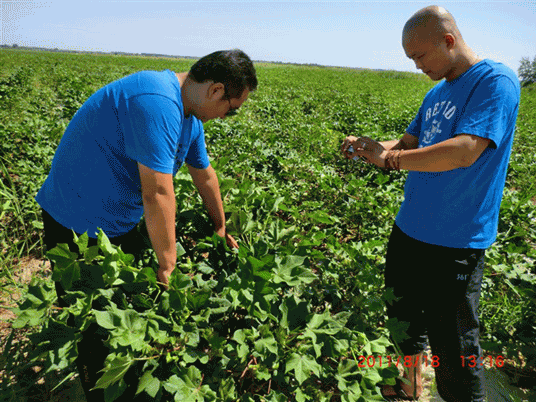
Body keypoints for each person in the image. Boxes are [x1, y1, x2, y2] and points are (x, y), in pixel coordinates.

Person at [36, 49, 257, 401]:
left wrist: (220, 225)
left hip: (118, 220)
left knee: (126, 312)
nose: (226, 116)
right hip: (75, 219)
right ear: (215, 90)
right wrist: (168, 267)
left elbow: (205, 175)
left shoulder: (190, 119)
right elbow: (157, 193)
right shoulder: (157, 101)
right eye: (231, 109)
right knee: (93, 327)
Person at [341, 6, 519, 402]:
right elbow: (408, 144)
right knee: (403, 321)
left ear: (448, 41)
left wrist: (391, 160)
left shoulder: (495, 81)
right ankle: (410, 387)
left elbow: (464, 150)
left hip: (455, 240)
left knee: (454, 344)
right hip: (409, 228)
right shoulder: (436, 93)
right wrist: (370, 148)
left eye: (420, 56)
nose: (418, 66)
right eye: (411, 59)